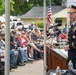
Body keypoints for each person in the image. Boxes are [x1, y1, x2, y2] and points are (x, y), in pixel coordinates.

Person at [64, 5, 76, 69]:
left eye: (71, 14)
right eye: (69, 14)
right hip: (72, 57)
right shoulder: (72, 26)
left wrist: (69, 46)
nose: (69, 16)